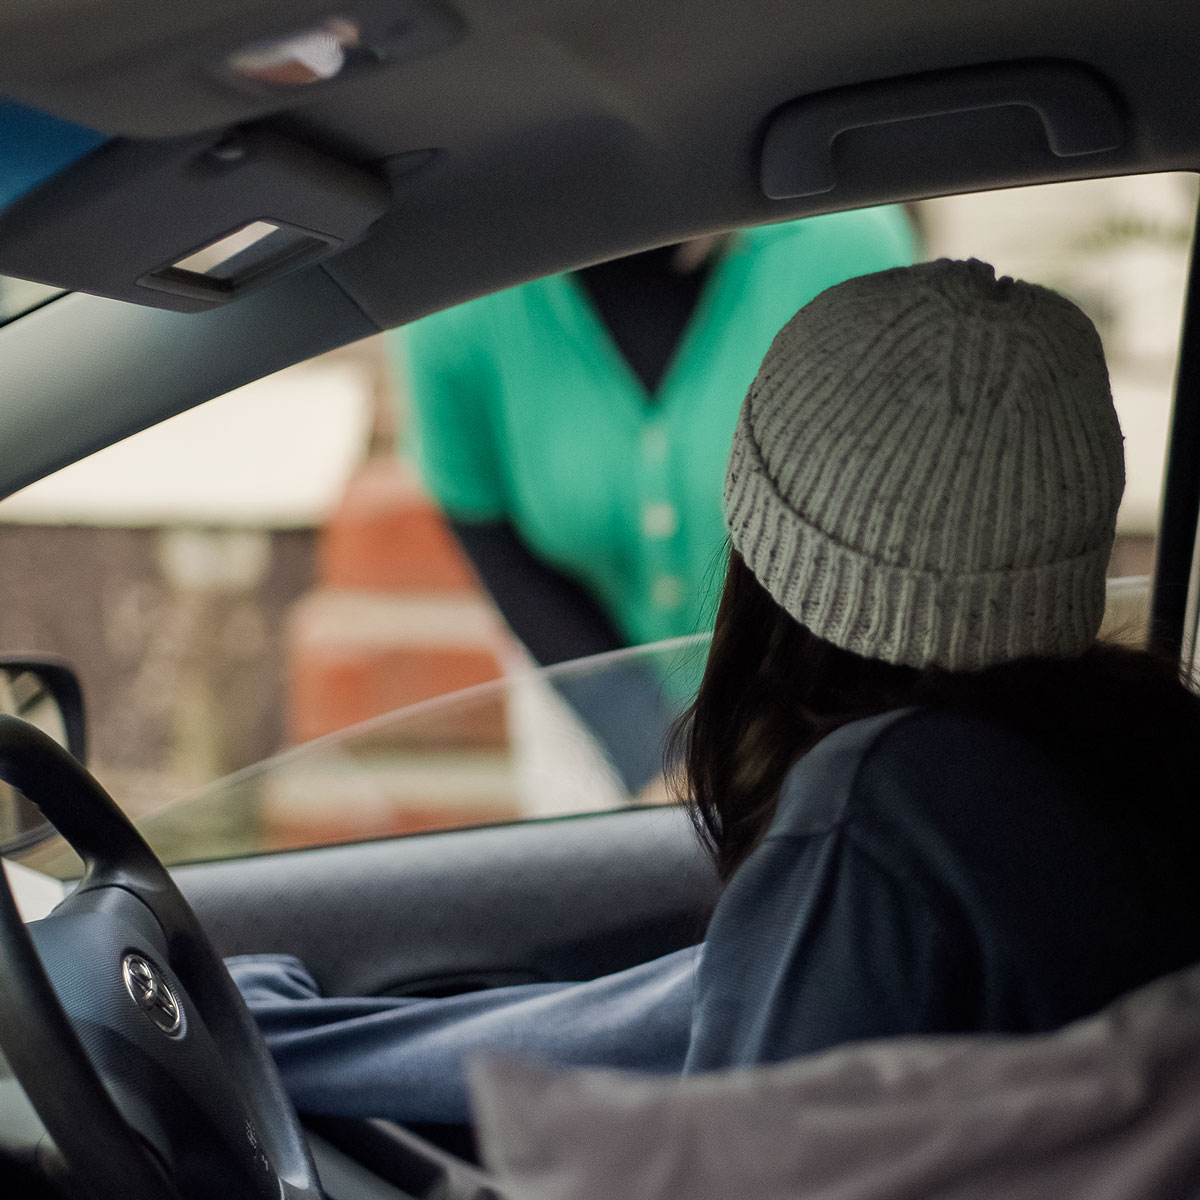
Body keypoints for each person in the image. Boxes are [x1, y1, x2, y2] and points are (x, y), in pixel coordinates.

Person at [230, 258, 1200, 1125]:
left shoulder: (881, 807)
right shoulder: (1135, 772)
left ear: (760, 552)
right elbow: (670, 1018)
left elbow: (745, 1144)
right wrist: (272, 1038)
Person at [391, 211, 916, 792]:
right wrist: (648, 753)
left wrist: (770, 752)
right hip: (588, 709)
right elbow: (486, 525)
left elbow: (889, 544)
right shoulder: (456, 290)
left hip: (824, 710)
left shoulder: (849, 250)